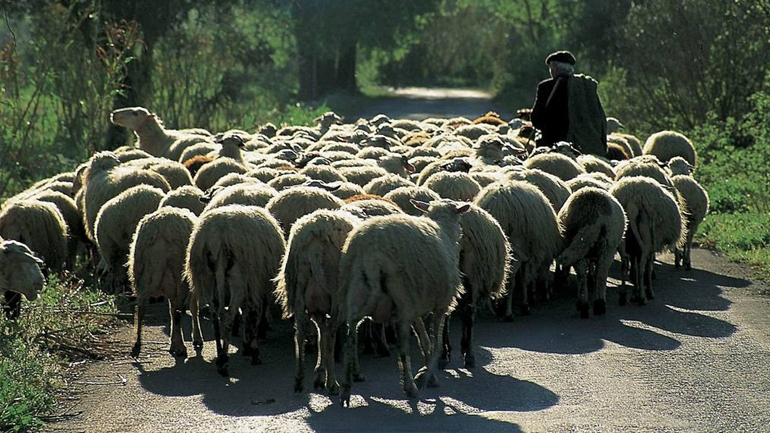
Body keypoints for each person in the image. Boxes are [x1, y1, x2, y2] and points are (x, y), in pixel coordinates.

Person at [531, 50, 607, 156]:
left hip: (552, 146)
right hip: (581, 145)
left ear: (555, 68)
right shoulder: (584, 87)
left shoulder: (546, 87)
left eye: (551, 67)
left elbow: (536, 119)